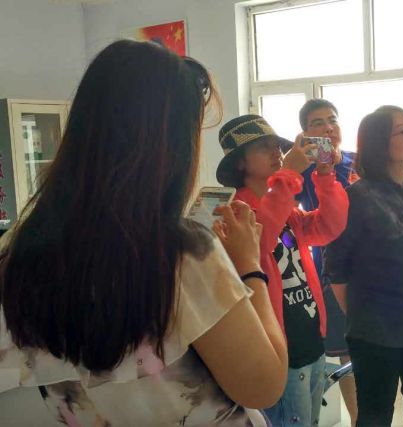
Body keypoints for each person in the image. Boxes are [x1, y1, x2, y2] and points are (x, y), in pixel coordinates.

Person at [0, 40, 287, 426]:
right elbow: (264, 386)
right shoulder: (183, 252)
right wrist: (250, 266)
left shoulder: (17, 251)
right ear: (173, 146)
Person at [215, 114, 348, 426]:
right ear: (240, 163)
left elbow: (330, 226)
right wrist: (288, 174)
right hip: (277, 350)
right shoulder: (234, 213)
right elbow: (259, 242)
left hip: (310, 339)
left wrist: (325, 175)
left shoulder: (286, 208)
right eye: (264, 147)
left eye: (277, 145)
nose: (276, 152)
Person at [326, 105, 403, 426]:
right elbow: (336, 269)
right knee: (375, 417)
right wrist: (362, 317)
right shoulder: (357, 197)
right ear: (380, 143)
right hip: (375, 329)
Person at [295, 98, 359, 425]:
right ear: (306, 133)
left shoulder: (359, 162)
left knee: (377, 347)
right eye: (317, 123)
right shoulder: (305, 170)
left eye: (332, 120)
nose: (327, 128)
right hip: (332, 270)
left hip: (373, 267)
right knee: (347, 352)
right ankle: (358, 419)